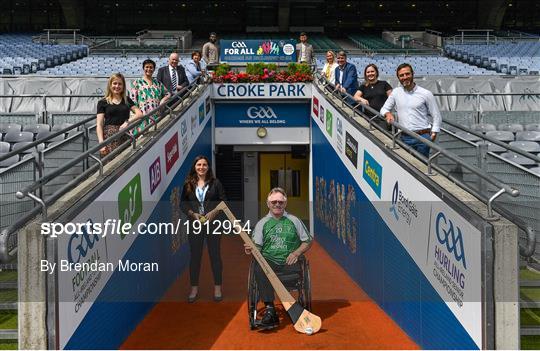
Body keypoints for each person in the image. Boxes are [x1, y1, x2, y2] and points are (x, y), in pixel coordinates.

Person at [244, 187, 313, 330]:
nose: (277, 204)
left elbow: (307, 241)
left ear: (285, 204)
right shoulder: (262, 223)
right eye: (274, 202)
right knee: (258, 266)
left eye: (280, 202)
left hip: (290, 261)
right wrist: (250, 249)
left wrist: (296, 253)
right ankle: (270, 309)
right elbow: (257, 247)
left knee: (295, 269)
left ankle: (293, 309)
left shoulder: (294, 220)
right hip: (268, 261)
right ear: (268, 204)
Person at [180, 155, 226, 303]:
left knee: (215, 256)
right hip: (195, 225)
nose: (201, 167)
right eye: (199, 164)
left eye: (204, 165)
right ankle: (194, 289)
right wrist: (192, 214)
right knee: (195, 257)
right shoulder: (188, 184)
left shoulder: (215, 183)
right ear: (195, 166)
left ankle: (218, 288)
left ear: (208, 167)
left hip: (213, 224)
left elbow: (223, 200)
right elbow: (183, 204)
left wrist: (214, 212)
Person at [380, 63, 442, 158]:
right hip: (404, 137)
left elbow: (436, 115)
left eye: (407, 74)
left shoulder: (425, 93)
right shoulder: (396, 92)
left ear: (412, 74)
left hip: (423, 137)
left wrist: (433, 133)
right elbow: (384, 109)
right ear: (398, 78)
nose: (405, 77)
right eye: (401, 75)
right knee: (405, 165)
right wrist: (388, 114)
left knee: (422, 166)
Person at [96, 73, 143, 157]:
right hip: (109, 138)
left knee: (125, 162)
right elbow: (99, 124)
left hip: (125, 135)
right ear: (110, 85)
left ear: (123, 86)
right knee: (110, 165)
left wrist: (127, 122)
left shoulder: (127, 100)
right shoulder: (102, 102)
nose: (117, 86)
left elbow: (139, 114)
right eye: (114, 83)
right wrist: (101, 143)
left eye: (120, 84)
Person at [129, 59, 169, 135]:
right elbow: (132, 101)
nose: (149, 69)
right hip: (143, 116)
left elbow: (168, 94)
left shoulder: (157, 82)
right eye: (147, 67)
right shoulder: (137, 82)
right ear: (143, 68)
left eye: (151, 67)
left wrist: (163, 100)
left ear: (154, 69)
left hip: (156, 115)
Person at [353, 64, 393, 130]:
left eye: (372, 71)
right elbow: (355, 96)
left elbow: (392, 98)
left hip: (382, 118)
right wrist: (362, 99)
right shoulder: (363, 86)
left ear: (376, 72)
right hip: (368, 118)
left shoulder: (384, 84)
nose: (370, 74)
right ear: (365, 74)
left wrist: (388, 113)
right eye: (368, 72)